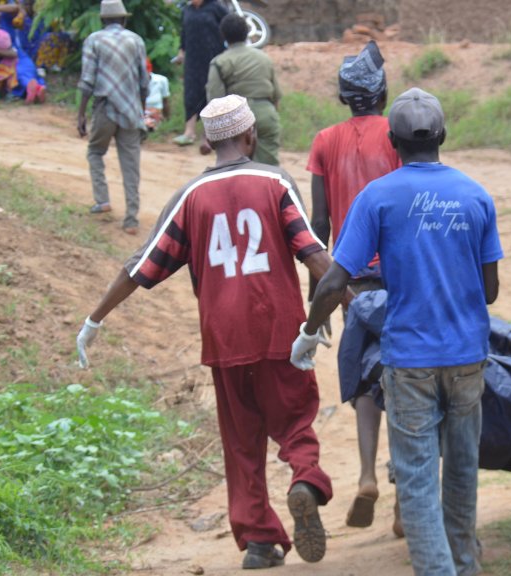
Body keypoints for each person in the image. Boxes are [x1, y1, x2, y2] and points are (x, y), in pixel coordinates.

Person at [75, 94, 333, 571]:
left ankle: (258, 542)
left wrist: (95, 319)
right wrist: (353, 307)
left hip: (223, 337)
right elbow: (314, 253)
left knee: (241, 439)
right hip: (280, 327)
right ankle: (305, 480)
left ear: (209, 144)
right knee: (294, 418)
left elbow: (142, 266)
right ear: (250, 134)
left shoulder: (191, 198)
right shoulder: (274, 181)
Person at [292, 87, 504, 576]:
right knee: (462, 471)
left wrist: (310, 329)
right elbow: (490, 291)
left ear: (393, 141)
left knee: (416, 479)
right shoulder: (475, 195)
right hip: (468, 355)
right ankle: (464, 565)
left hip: (410, 361)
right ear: (443, 136)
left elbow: (335, 280)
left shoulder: (377, 198)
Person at [304, 39, 401, 531]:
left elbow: (317, 226)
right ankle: (406, 483)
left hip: (349, 280)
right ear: (383, 92)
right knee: (405, 373)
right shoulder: (399, 134)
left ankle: (366, 474)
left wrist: (315, 294)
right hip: (404, 276)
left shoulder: (324, 140)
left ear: (344, 98)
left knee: (366, 374)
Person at [77, 0, 149, 236]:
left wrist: (80, 114)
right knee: (131, 165)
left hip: (105, 108)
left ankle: (103, 199)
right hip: (130, 111)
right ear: (124, 19)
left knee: (95, 152)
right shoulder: (135, 40)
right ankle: (131, 219)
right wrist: (142, 110)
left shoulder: (94, 40)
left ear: (102, 20)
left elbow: (87, 81)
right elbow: (143, 81)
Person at [206, 12, 281, 165]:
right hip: (266, 113)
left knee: (236, 167)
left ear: (223, 35)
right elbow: (276, 95)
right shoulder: (264, 58)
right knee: (269, 167)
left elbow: (215, 101)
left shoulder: (219, 62)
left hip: (237, 118)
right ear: (247, 32)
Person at [172, 0, 227, 146]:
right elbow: (184, 33)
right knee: (191, 94)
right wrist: (181, 52)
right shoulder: (187, 10)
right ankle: (189, 133)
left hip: (214, 58)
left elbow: (230, 27)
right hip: (193, 61)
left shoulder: (216, 8)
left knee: (212, 94)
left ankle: (210, 135)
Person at [0, 0, 45, 102]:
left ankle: (36, 89)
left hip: (16, 52)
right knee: (17, 72)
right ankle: (32, 89)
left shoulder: (4, 18)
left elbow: (15, 8)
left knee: (27, 67)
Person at [144, 58, 170, 131]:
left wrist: (167, 118)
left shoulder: (161, 80)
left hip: (156, 115)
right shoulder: (133, 82)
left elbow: (166, 101)